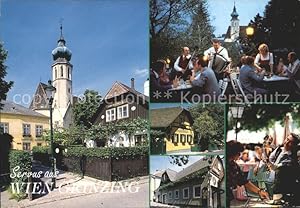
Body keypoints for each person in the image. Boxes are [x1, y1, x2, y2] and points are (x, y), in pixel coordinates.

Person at [227, 140, 269, 207]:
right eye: (238, 153)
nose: (240, 155)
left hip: (227, 196)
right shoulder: (226, 164)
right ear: (232, 153)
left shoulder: (233, 165)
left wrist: (259, 192)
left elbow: (244, 181)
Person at [267, 133, 300, 204]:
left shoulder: (290, 159)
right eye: (287, 139)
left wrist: (267, 161)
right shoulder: (279, 149)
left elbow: (275, 167)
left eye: (290, 141)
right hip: (270, 184)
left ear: (293, 145)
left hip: (280, 189)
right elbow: (270, 158)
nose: (287, 142)